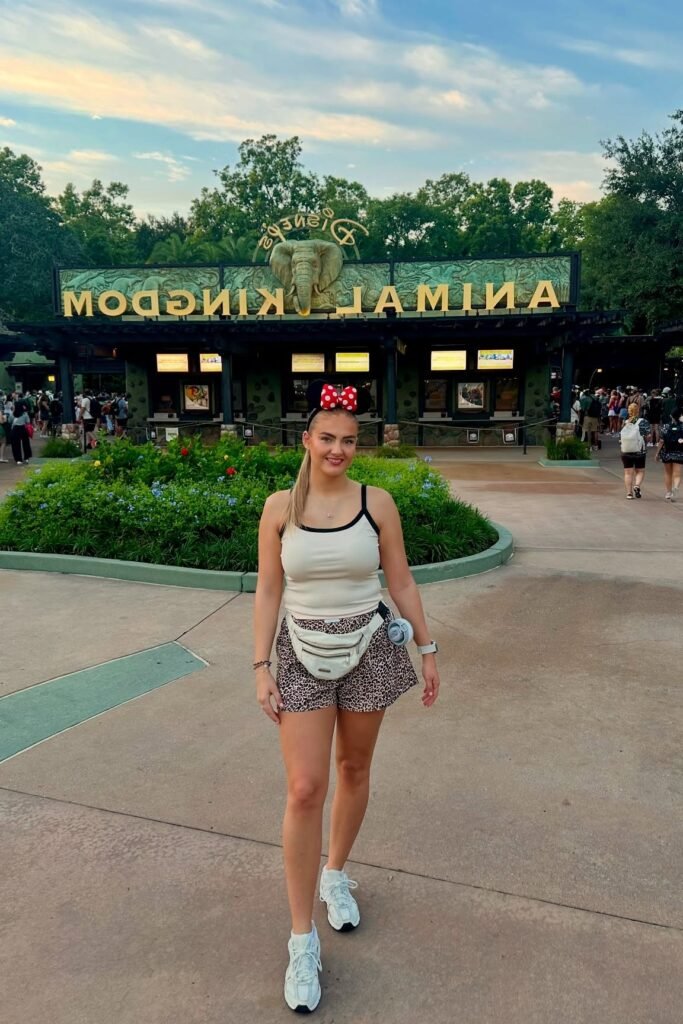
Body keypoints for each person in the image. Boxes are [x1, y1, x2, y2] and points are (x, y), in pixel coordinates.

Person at [253, 380, 440, 1014]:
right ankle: (302, 939)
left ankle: (336, 874)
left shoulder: (376, 502)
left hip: (369, 648)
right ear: (306, 441)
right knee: (305, 787)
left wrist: (428, 645)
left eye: (348, 440)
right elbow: (267, 593)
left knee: (354, 768)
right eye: (327, 438)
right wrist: (260, 665)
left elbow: (403, 578)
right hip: (301, 653)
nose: (338, 449)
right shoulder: (279, 507)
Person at [619, 402, 651, 499]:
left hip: (626, 450)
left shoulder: (625, 422)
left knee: (628, 473)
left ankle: (629, 493)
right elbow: (648, 436)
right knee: (640, 471)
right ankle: (636, 486)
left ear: (629, 411)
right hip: (639, 451)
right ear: (638, 411)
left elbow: (621, 437)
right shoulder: (643, 421)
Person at [656, 404, 683, 501]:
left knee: (668, 473)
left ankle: (668, 492)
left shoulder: (666, 426)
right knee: (677, 474)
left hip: (667, 453)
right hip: (679, 453)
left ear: (671, 416)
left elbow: (661, 441)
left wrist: (657, 453)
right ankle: (675, 488)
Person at [10, 399, 32, 465]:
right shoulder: (25, 414)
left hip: (15, 429)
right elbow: (28, 422)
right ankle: (27, 458)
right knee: (26, 443)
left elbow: (10, 421)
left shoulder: (12, 414)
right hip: (23, 428)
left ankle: (18, 459)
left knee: (15, 444)